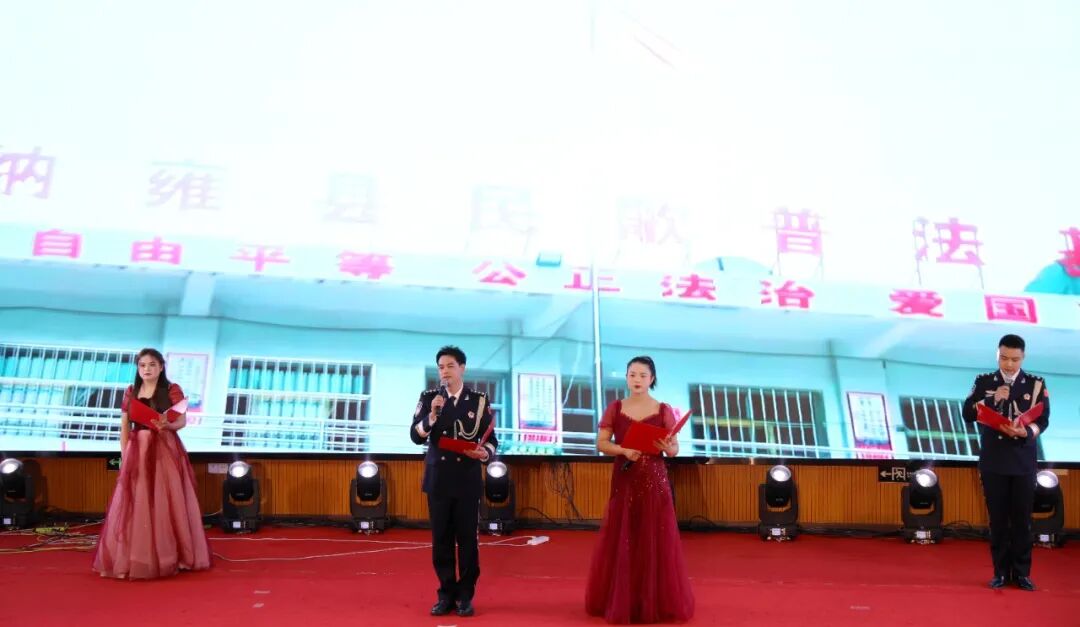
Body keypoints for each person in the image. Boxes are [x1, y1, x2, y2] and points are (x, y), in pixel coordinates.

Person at [585, 356, 694, 623]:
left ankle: (651, 601)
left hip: (655, 479)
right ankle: (623, 599)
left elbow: (673, 449)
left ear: (652, 379)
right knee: (623, 536)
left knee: (655, 538)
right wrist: (623, 450)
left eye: (643, 375)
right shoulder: (615, 407)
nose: (637, 379)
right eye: (632, 374)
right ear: (626, 377)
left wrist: (668, 447)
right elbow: (601, 443)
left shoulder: (663, 409)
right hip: (625, 477)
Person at [93, 348, 212, 579]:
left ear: (161, 367)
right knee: (138, 499)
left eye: (152, 365)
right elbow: (124, 426)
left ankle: (171, 556)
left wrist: (167, 425)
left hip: (164, 447)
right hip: (138, 448)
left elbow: (182, 421)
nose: (147, 369)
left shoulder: (172, 389)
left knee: (166, 498)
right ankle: (136, 557)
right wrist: (125, 455)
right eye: (142, 365)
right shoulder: (131, 391)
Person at [409, 345, 498, 618]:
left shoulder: (478, 400)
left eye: (449, 366)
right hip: (439, 479)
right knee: (441, 540)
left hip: (467, 479)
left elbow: (492, 440)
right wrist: (432, 416)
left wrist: (485, 453)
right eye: (440, 367)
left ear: (462, 368)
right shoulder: (429, 398)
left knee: (468, 541)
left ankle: (465, 596)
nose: (444, 372)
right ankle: (445, 594)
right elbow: (415, 436)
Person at [962, 334, 1050, 591]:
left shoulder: (1035, 384)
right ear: (997, 355)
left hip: (1023, 460)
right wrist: (992, 400)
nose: (1009, 365)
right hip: (994, 461)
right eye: (1004, 358)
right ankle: (1000, 572)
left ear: (1023, 357)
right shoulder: (984, 381)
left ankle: (1022, 574)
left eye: (1014, 359)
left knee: (1022, 520)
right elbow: (967, 413)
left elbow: (1043, 419)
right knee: (998, 520)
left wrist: (1026, 431)